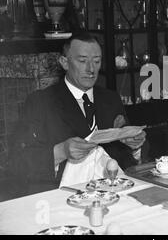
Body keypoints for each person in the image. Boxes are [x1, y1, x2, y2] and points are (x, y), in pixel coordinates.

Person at [9, 32, 147, 194]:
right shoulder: (41, 102)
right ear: (64, 62)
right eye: (82, 61)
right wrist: (61, 151)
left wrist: (134, 146)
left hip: (113, 194)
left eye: (96, 61)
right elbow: (17, 161)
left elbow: (126, 160)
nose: (91, 69)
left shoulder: (110, 99)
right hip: (62, 199)